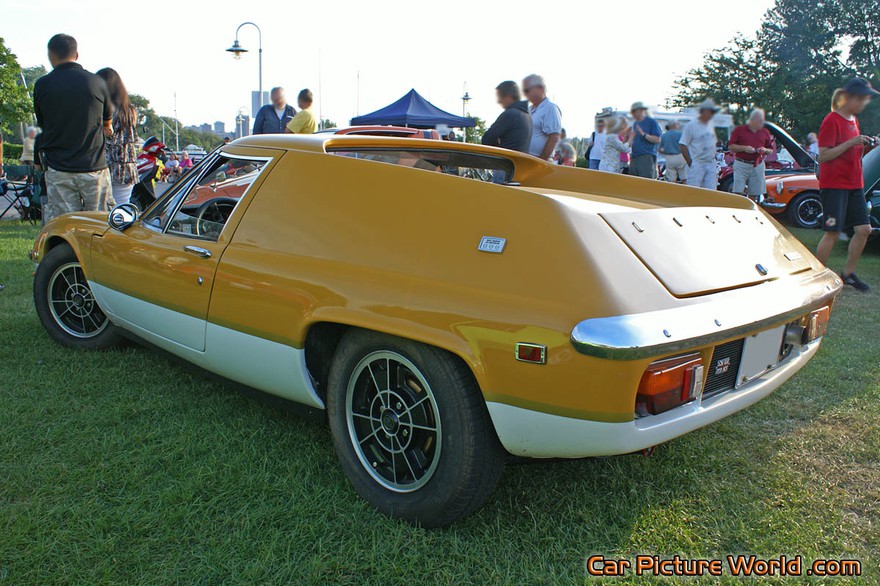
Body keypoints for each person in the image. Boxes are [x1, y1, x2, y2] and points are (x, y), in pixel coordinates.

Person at [34, 34, 114, 221]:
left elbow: (43, 123)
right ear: (76, 55)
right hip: (94, 166)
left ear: (50, 55)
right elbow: (107, 124)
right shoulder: (97, 82)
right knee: (100, 223)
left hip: (59, 167)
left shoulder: (42, 85)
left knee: (65, 225)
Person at [814, 77, 880, 292]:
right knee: (832, 232)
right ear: (850, 97)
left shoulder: (853, 120)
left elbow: (852, 153)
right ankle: (816, 277)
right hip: (835, 186)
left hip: (855, 185)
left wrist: (868, 145)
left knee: (864, 230)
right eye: (862, 99)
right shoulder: (831, 120)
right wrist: (852, 142)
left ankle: (848, 274)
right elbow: (823, 156)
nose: (864, 103)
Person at [96, 67, 139, 206]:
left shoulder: (103, 110)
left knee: (103, 208)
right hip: (127, 166)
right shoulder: (130, 111)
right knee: (121, 206)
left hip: (106, 164)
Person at [481, 80, 532, 183]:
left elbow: (486, 139)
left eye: (500, 97)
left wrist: (498, 143)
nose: (499, 102)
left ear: (509, 96)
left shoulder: (510, 114)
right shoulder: (527, 116)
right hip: (519, 170)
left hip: (504, 168)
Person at [728, 108, 774, 201]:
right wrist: (744, 148)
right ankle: (738, 210)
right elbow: (731, 146)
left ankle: (751, 210)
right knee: (738, 191)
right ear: (752, 120)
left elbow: (771, 150)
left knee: (755, 192)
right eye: (760, 120)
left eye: (762, 120)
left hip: (757, 165)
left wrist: (764, 150)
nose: (762, 122)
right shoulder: (739, 130)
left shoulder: (765, 132)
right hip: (742, 164)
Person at [679, 99, 720, 189]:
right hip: (697, 163)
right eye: (710, 111)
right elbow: (683, 145)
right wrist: (691, 163)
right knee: (694, 191)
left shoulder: (710, 125)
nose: (712, 114)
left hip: (711, 162)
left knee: (711, 191)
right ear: (703, 111)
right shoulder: (691, 125)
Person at [522, 74, 562, 160]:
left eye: (527, 90)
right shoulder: (528, 110)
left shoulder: (550, 108)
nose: (525, 94)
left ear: (540, 88)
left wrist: (541, 162)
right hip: (526, 158)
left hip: (539, 161)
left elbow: (554, 138)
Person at [629, 101, 662, 178]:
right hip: (634, 156)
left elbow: (657, 139)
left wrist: (644, 134)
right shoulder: (635, 123)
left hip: (646, 156)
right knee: (633, 181)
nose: (633, 114)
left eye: (634, 111)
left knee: (645, 181)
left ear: (640, 110)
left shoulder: (651, 122)